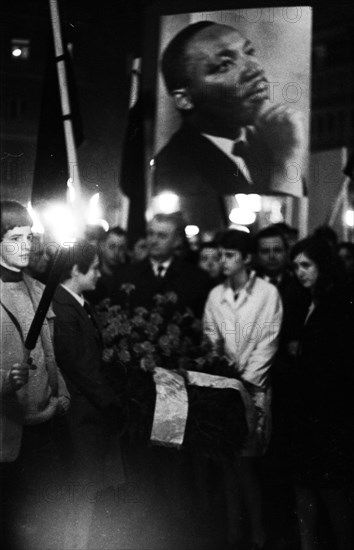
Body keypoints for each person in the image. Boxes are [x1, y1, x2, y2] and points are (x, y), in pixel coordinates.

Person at [154, 21, 306, 228]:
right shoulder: (173, 167)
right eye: (224, 65)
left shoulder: (272, 141)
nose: (254, 68)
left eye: (249, 52)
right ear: (184, 99)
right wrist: (288, 160)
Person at [203, 229, 283, 549]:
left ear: (246, 258)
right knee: (227, 463)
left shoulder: (267, 294)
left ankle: (258, 534)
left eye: (229, 255)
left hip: (252, 389)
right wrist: (221, 376)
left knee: (246, 464)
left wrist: (244, 382)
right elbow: (211, 338)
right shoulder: (215, 295)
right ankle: (235, 534)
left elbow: (268, 342)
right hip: (224, 390)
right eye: (220, 254)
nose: (222, 261)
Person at [0, 200, 70, 549]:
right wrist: (2, 379)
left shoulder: (39, 289)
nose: (25, 246)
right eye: (15, 237)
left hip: (45, 419)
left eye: (29, 236)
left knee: (42, 517)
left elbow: (49, 351)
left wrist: (62, 389)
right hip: (7, 428)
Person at [52, 239, 125, 550]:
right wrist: (112, 402)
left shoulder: (77, 303)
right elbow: (80, 365)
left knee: (88, 490)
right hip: (81, 415)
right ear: (74, 270)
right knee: (81, 491)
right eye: (93, 268)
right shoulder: (62, 308)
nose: (98, 274)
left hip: (88, 412)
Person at [290, 236, 354, 550]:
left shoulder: (338, 303)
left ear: (323, 266)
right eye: (296, 267)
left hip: (328, 412)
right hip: (309, 410)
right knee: (306, 485)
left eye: (306, 265)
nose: (300, 272)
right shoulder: (307, 299)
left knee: (331, 490)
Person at [112, 213, 212, 318]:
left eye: (162, 236)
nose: (154, 241)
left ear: (177, 241)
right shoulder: (125, 275)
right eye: (150, 234)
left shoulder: (196, 279)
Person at [86, 226, 128, 305]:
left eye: (121, 248)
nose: (116, 252)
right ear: (102, 246)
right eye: (112, 247)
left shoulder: (128, 278)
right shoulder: (91, 276)